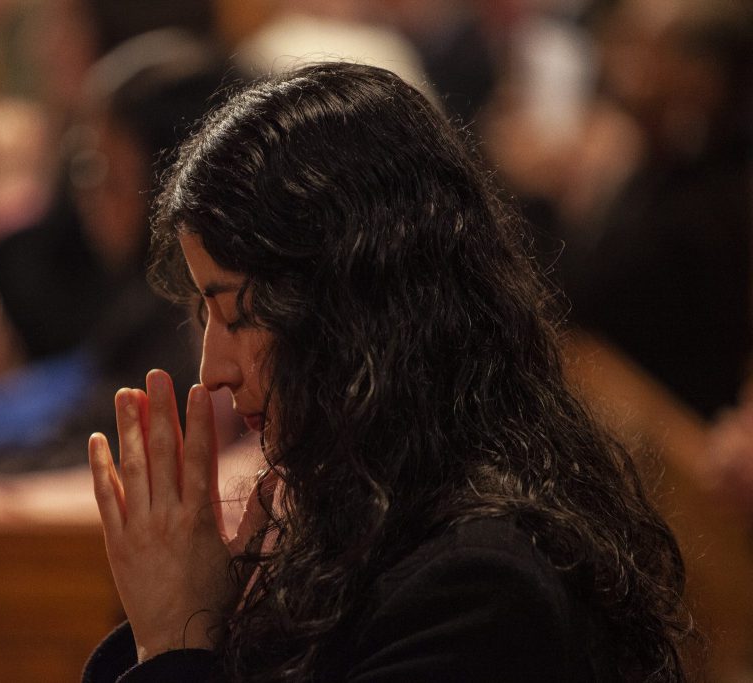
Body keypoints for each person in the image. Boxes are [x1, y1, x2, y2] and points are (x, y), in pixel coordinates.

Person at [82, 62, 693, 681]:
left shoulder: (476, 583)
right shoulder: (355, 524)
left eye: (238, 313)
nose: (212, 370)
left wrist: (176, 641)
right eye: (204, 316)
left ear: (353, 308)